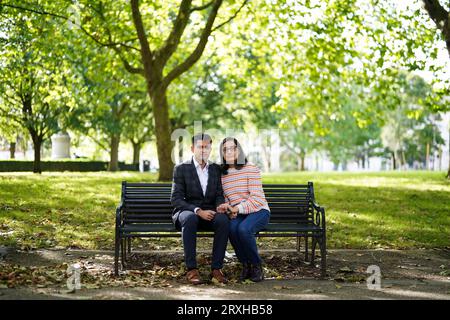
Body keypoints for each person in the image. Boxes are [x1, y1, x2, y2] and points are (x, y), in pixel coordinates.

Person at [171, 133, 230, 285]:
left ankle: (217, 269)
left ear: (211, 149)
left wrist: (219, 207)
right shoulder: (181, 169)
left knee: (223, 220)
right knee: (190, 218)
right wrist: (198, 210)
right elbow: (176, 199)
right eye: (200, 147)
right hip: (187, 213)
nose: (203, 150)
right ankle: (192, 269)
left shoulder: (215, 169)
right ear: (193, 148)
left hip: (209, 213)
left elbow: (218, 194)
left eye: (207, 147)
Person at [217, 137, 270, 282]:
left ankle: (256, 265)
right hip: (236, 213)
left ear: (238, 150)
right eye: (225, 149)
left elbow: (257, 198)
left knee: (244, 229)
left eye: (232, 148)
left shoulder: (251, 168)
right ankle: (246, 265)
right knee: (232, 229)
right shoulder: (222, 174)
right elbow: (226, 198)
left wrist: (237, 209)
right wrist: (229, 210)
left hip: (258, 210)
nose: (229, 152)